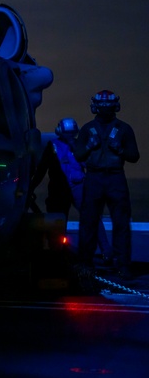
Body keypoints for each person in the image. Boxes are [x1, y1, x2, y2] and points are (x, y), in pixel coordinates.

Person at [73, 90, 140, 279]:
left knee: (120, 223)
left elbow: (134, 156)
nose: (104, 108)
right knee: (89, 222)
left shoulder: (123, 129)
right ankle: (86, 263)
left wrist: (120, 150)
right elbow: (79, 155)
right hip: (94, 178)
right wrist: (89, 146)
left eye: (107, 105)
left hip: (115, 177)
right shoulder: (88, 129)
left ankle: (122, 265)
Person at [30, 117, 112, 259]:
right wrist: (31, 187)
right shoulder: (52, 146)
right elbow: (42, 169)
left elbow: (90, 165)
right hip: (59, 189)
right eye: (67, 133)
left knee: (92, 217)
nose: (69, 136)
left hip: (79, 187)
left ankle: (106, 251)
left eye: (71, 133)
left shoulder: (80, 145)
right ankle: (57, 253)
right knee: (58, 222)